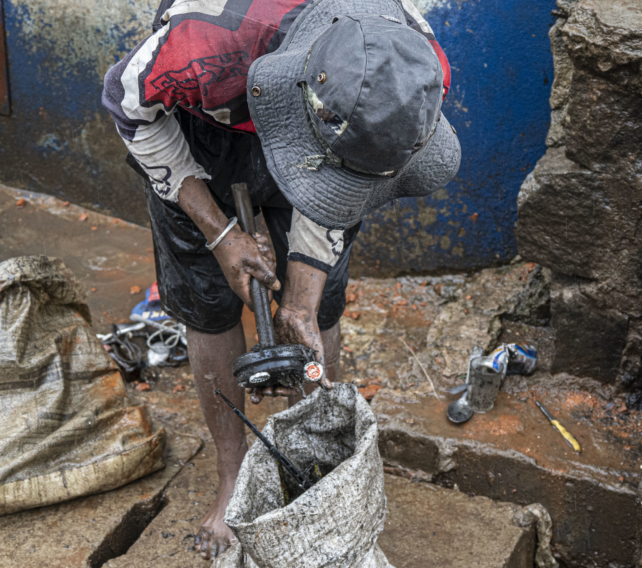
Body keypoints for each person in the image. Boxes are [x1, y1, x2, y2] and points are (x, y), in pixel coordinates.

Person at [102, 0, 460, 559]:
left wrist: (302, 296)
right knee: (208, 303)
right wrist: (220, 233)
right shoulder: (205, 44)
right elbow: (127, 104)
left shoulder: (413, 66)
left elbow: (347, 180)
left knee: (318, 309)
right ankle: (233, 475)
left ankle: (312, 458)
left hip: (337, 138)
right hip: (204, 132)